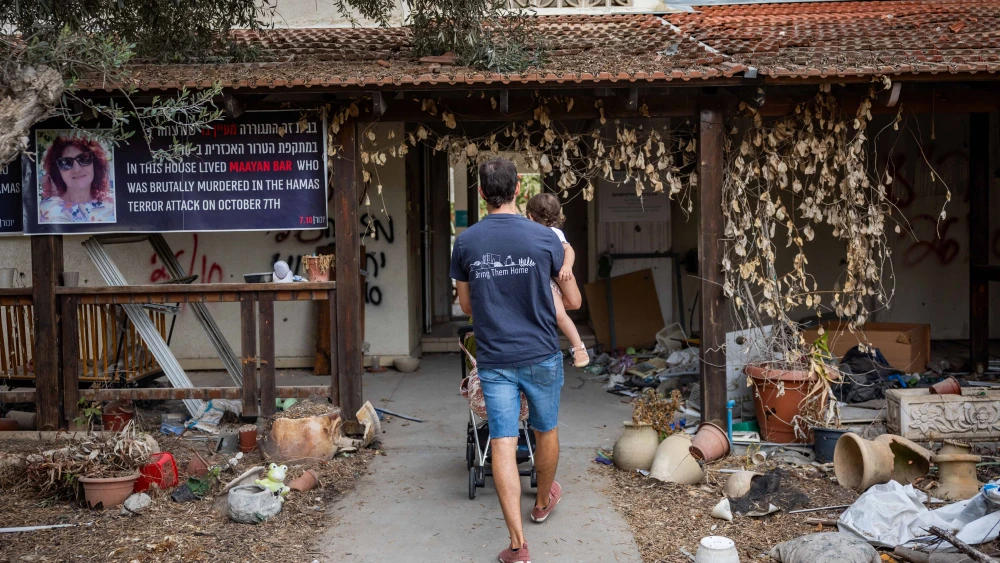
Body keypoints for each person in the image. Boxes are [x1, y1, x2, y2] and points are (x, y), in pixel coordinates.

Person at [450, 158, 582, 563]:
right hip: (541, 353)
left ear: (481, 194)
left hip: (494, 358)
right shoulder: (544, 239)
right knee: (546, 429)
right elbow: (573, 301)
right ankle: (542, 502)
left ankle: (517, 545)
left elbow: (468, 305)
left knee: (503, 442)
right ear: (518, 190)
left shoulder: (467, 242)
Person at [525, 192, 590, 369]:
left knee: (559, 315)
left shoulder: (554, 233)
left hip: (550, 282)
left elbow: (569, 250)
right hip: (543, 280)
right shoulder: (536, 233)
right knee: (553, 313)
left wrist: (567, 266)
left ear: (530, 216)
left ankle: (579, 348)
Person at [38, 135, 116, 224]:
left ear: (95, 164)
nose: (77, 169)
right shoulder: (43, 210)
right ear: (57, 171)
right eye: (66, 162)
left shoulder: (114, 205)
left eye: (84, 158)